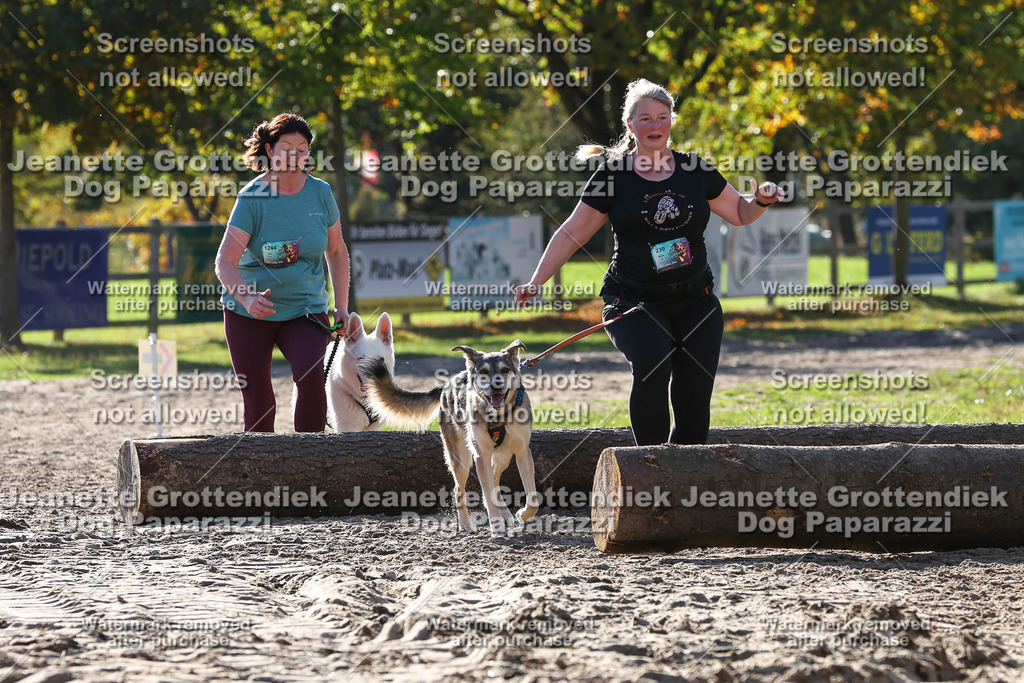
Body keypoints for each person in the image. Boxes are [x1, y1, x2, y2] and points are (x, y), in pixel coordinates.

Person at [514, 78, 785, 446]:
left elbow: (740, 212)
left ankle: (686, 466)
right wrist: (537, 281)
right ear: (631, 125)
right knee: (653, 364)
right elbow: (572, 233)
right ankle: (649, 462)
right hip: (633, 301)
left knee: (694, 389)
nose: (655, 125)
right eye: (645, 119)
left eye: (662, 117)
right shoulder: (612, 177)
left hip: (696, 299)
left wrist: (762, 201)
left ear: (671, 121)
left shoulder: (695, 169)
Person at [215, 113, 350, 432]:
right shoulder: (252, 197)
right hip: (249, 313)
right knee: (260, 401)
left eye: (302, 149)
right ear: (270, 150)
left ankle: (312, 457)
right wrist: (248, 299)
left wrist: (342, 307)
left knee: (311, 375)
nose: (294, 155)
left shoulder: (321, 193)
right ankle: (260, 463)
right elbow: (224, 262)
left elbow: (336, 251)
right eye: (286, 148)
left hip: (306, 307)